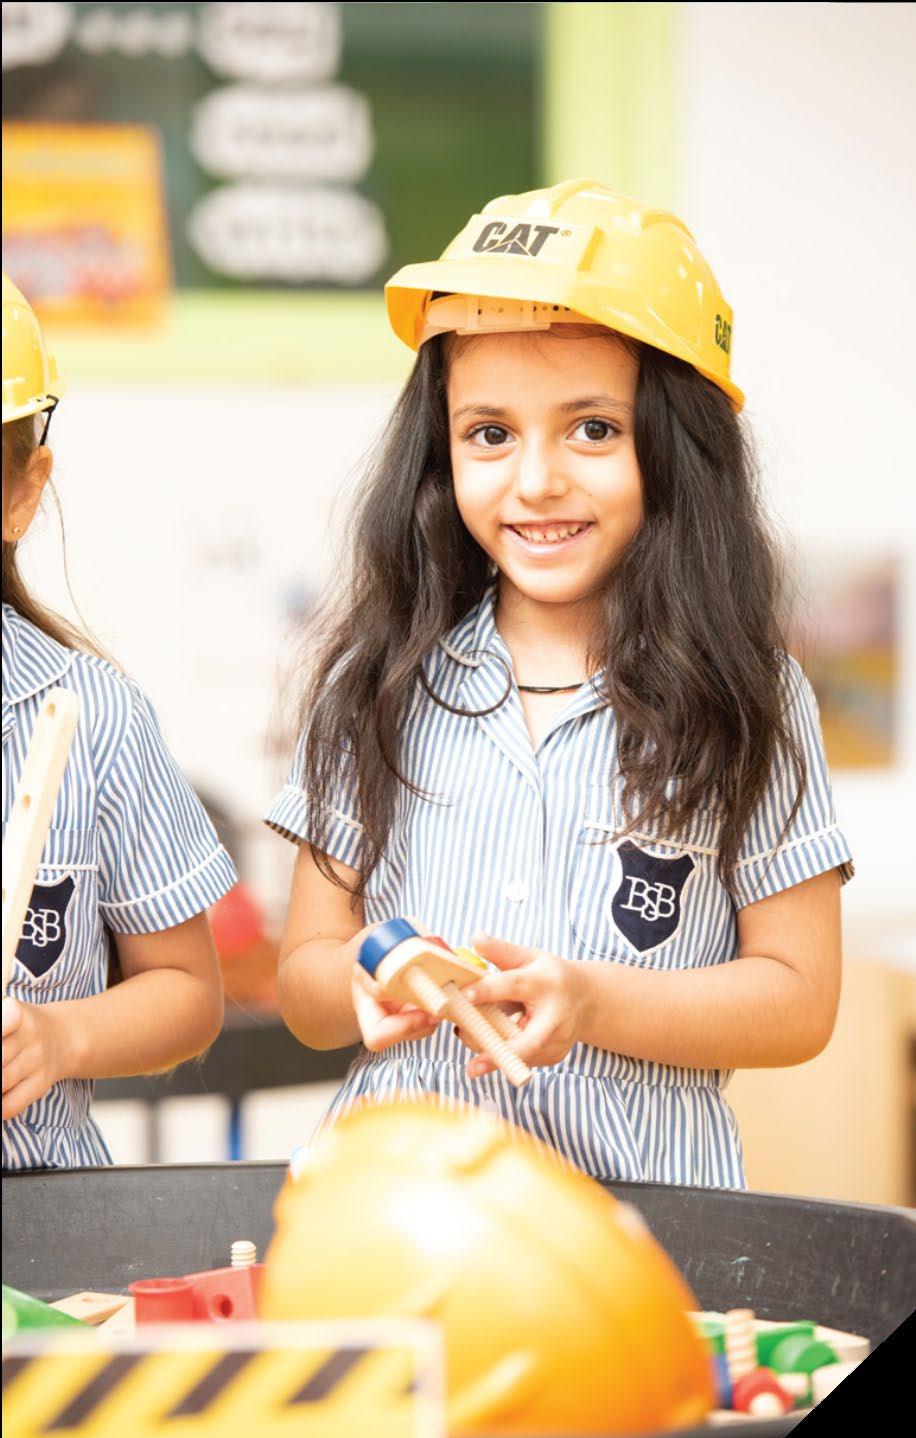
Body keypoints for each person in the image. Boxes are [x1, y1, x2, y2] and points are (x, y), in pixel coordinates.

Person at [267, 181, 852, 1187]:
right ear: (440, 454)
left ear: (676, 450)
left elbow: (800, 999)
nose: (536, 481)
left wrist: (593, 1001)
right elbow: (303, 981)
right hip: (400, 1210)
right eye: (489, 434)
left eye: (593, 429)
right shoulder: (376, 684)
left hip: (647, 1230)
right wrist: (373, 977)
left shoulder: (752, 694)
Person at [2, 274, 236, 1169]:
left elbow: (186, 992)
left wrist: (57, 1038)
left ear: (21, 494)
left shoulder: (94, 715)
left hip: (49, 1217)